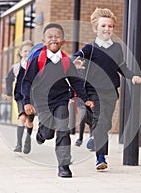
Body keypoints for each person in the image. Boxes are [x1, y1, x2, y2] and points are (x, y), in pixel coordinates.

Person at [72, 8, 141, 170]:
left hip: (111, 91)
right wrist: (76, 61)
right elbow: (76, 56)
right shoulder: (90, 48)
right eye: (103, 25)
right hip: (93, 91)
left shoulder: (117, 48)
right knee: (101, 120)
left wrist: (132, 76)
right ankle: (101, 157)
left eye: (110, 26)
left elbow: (121, 66)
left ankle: (95, 137)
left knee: (106, 122)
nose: (107, 29)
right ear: (96, 28)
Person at [21, 23, 94, 178]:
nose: (54, 39)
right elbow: (27, 81)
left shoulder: (66, 61)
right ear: (44, 40)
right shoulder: (38, 59)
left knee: (63, 128)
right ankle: (41, 133)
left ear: (63, 41)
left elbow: (75, 81)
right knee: (48, 133)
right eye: (50, 36)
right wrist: (27, 101)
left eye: (57, 37)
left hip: (61, 99)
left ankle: (64, 165)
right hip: (42, 101)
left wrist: (86, 98)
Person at [12, 40, 35, 154]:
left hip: (32, 98)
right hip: (20, 96)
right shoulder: (17, 67)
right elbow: (9, 79)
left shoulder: (35, 66)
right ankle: (18, 144)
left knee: (29, 121)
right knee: (22, 118)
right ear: (20, 53)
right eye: (25, 51)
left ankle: (28, 140)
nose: (27, 53)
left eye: (30, 51)